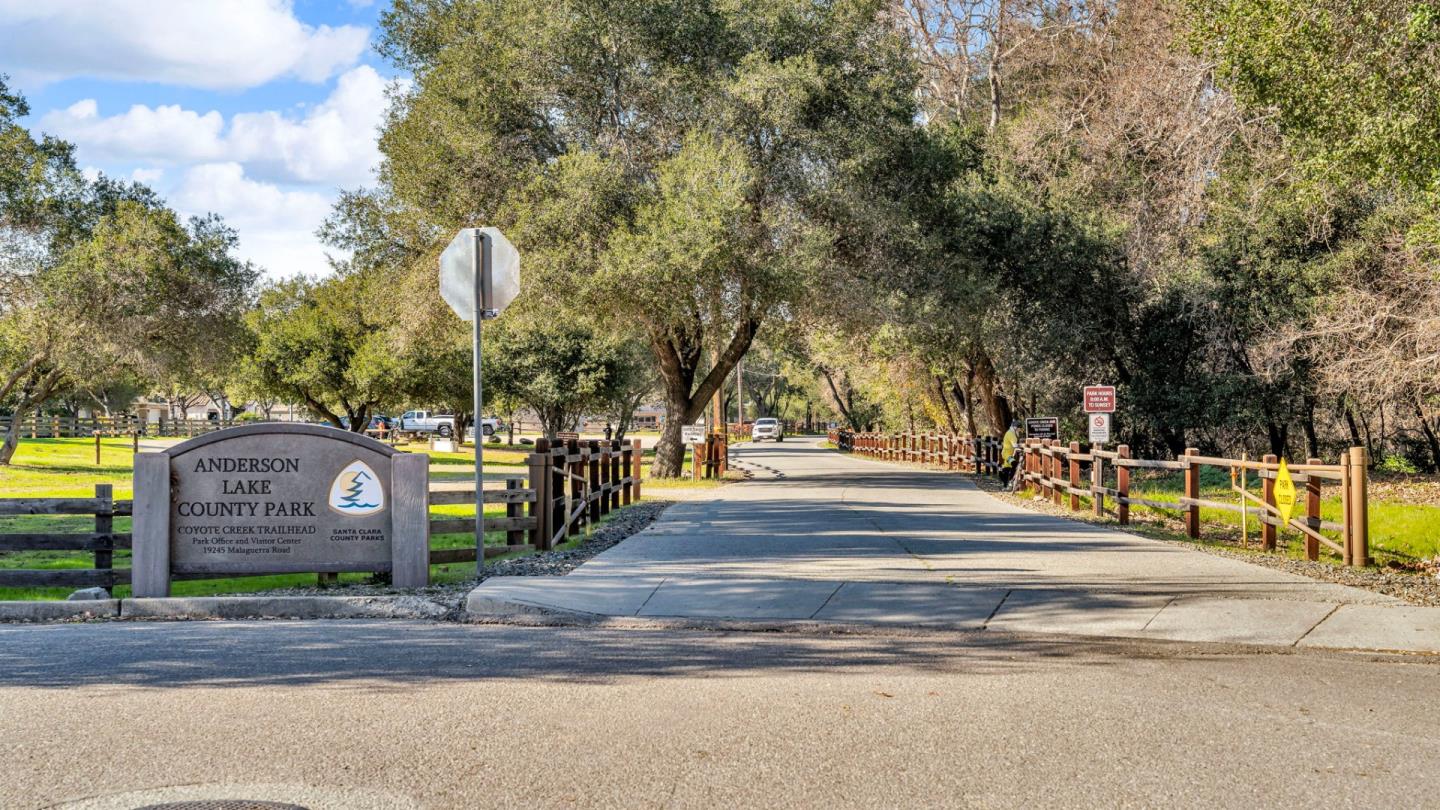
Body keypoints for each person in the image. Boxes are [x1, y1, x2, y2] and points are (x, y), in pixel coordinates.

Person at [1001, 419, 1020, 487]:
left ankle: (1005, 484)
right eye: (1019, 429)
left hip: (1008, 453)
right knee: (1014, 464)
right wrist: (1020, 446)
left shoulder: (1011, 432)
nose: (1019, 430)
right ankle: (1010, 481)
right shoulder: (1011, 434)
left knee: (1007, 468)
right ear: (1015, 427)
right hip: (1006, 454)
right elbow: (1014, 445)